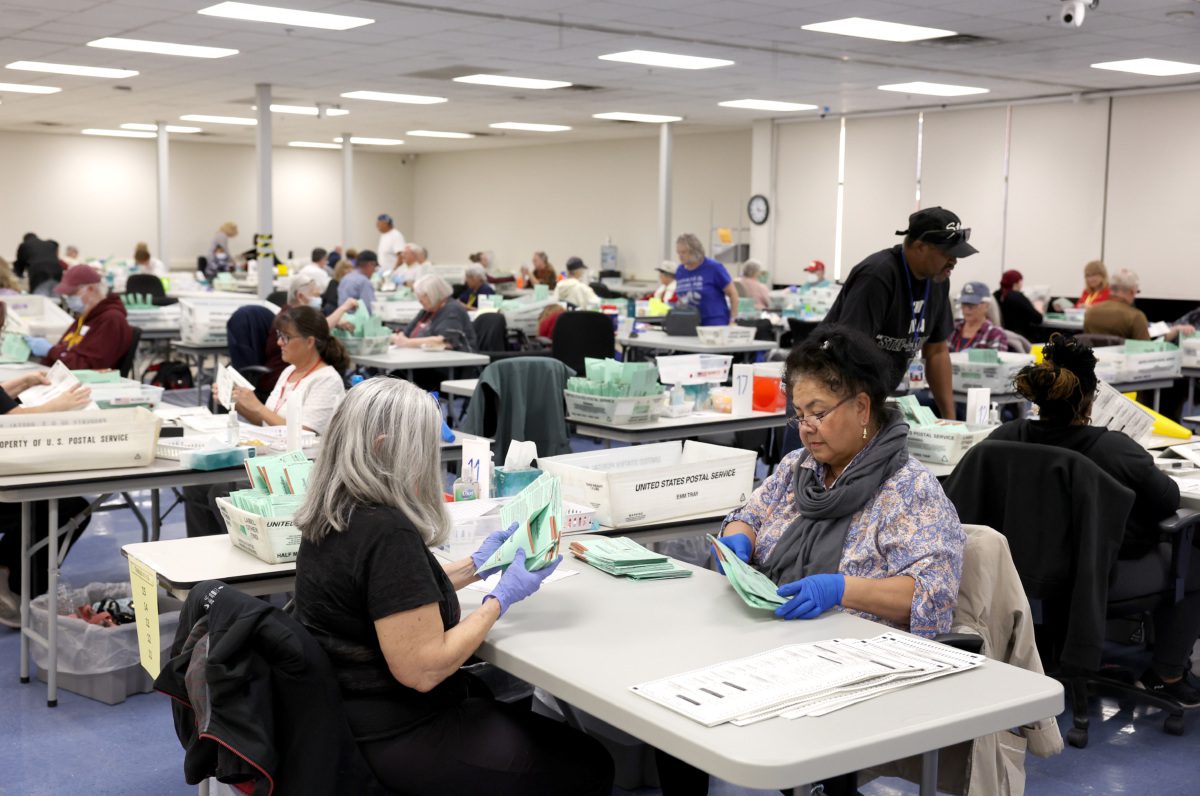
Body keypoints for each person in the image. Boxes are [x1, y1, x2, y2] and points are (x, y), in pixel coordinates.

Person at [659, 325, 965, 796]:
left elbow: (931, 596)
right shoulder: (798, 468)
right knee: (670, 699)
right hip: (774, 632)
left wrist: (841, 589)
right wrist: (738, 540)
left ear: (862, 407)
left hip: (850, 659)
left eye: (818, 413)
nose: (806, 428)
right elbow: (747, 516)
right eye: (799, 414)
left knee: (698, 693)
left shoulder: (909, 490)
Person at [290, 377, 614, 795]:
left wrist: (477, 566)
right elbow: (423, 668)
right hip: (399, 732)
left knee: (498, 701)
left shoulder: (335, 511)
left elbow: (388, 600)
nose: (429, 460)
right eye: (423, 447)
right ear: (385, 448)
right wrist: (500, 599)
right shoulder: (386, 533)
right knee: (590, 763)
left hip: (346, 715)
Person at [988, 335, 1200, 705]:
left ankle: (1053, 651)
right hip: (1098, 580)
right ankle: (1167, 673)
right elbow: (1167, 499)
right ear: (1089, 398)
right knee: (1196, 560)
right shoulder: (1114, 448)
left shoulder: (1003, 438)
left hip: (1018, 575)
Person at [184, 306, 349, 537]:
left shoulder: (326, 379)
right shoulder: (289, 373)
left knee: (221, 492)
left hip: (299, 472)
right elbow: (267, 424)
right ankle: (202, 560)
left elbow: (302, 434)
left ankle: (238, 560)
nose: (279, 343)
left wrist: (257, 407)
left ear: (310, 341)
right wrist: (238, 401)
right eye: (279, 336)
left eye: (286, 337)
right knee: (196, 486)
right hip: (270, 462)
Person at [822, 206, 977, 420]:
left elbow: (937, 352)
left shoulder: (939, 282)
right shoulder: (878, 275)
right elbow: (850, 352)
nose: (954, 260)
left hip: (870, 396)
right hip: (828, 394)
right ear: (920, 246)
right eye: (947, 253)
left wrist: (949, 419)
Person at [22, 264, 133, 370]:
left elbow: (87, 367)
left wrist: (50, 351)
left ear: (90, 289)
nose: (69, 299)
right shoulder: (85, 318)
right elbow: (66, 349)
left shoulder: (111, 320)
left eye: (72, 294)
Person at [263, 276, 358, 387]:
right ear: (300, 296)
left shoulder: (291, 315)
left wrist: (336, 322)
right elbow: (321, 328)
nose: (319, 299)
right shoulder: (289, 319)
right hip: (280, 376)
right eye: (316, 295)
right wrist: (343, 308)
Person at [1083, 269, 1192, 342]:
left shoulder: (1090, 313)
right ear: (1131, 292)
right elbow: (1145, 350)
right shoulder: (1135, 317)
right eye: (1136, 291)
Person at [392, 274, 476, 352]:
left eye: (424, 296)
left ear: (435, 294)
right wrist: (400, 338)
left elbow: (443, 341)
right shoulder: (427, 310)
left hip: (451, 363)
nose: (420, 300)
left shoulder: (452, 310)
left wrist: (407, 342)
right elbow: (405, 333)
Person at [673, 233, 737, 327]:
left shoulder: (714, 268)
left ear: (695, 251)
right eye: (678, 253)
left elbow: (733, 294)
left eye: (684, 252)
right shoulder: (680, 271)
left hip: (714, 322)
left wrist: (733, 320)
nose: (680, 256)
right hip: (689, 322)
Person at [948, 281, 1008, 352]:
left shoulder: (995, 334)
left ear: (986, 306)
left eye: (972, 305)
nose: (966, 309)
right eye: (963, 304)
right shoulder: (952, 328)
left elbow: (994, 361)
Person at [993, 269, 1042, 341]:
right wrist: (1039, 309)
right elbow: (1038, 319)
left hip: (1001, 336)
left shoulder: (996, 295)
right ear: (1017, 283)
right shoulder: (1018, 297)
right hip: (1021, 338)